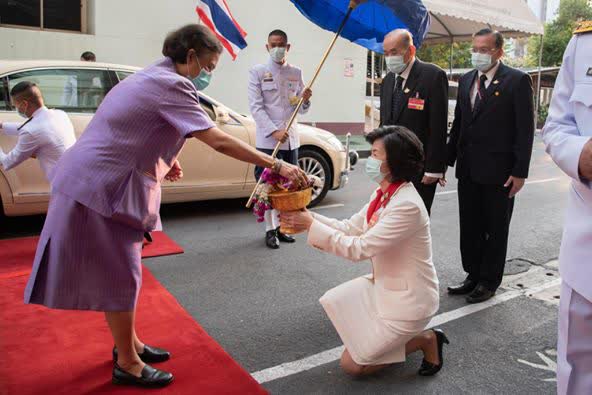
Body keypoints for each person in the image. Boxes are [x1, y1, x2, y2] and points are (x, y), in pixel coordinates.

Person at [23, 24, 308, 388]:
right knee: (122, 273)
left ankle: (131, 344)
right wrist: (276, 163)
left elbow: (133, 125)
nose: (207, 75)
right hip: (101, 186)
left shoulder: (149, 76)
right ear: (191, 57)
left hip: (93, 179)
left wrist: (165, 158)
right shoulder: (173, 84)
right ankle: (126, 362)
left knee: (121, 271)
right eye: (208, 66)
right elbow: (217, 139)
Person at [280, 125, 447, 378]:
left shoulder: (407, 206)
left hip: (410, 301)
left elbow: (360, 248)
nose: (370, 159)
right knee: (336, 302)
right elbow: (350, 227)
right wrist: (307, 216)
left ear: (394, 163)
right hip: (386, 287)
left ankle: (426, 339)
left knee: (353, 365)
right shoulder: (384, 193)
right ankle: (386, 339)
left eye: (376, 154)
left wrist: (310, 226)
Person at [446, 29, 534, 304]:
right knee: (470, 226)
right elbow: (459, 123)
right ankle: (473, 274)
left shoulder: (517, 81)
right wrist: (443, 163)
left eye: (484, 49)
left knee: (495, 228)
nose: (478, 54)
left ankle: (488, 281)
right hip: (469, 169)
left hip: (500, 172)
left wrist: (520, 171)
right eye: (475, 48)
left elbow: (525, 129)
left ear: (498, 51)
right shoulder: (467, 80)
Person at [542, 20, 592, 395]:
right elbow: (557, 126)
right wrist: (580, 155)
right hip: (586, 250)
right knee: (576, 370)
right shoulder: (584, 43)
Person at [248, 29, 312, 249]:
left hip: (291, 139)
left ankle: (282, 227)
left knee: (286, 187)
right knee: (268, 187)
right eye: (273, 44)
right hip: (268, 141)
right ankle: (269, 230)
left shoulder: (296, 72)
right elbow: (256, 107)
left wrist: (305, 100)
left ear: (288, 47)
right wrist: (273, 130)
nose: (277, 48)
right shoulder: (257, 72)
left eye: (281, 44)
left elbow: (300, 109)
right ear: (267, 47)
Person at [379, 29, 448, 215]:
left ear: (410, 51)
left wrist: (434, 169)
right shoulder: (387, 82)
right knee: (391, 221)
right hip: (392, 169)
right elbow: (384, 125)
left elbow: (438, 127)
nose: (389, 58)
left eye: (394, 52)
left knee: (415, 222)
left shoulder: (432, 76)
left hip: (420, 171)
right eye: (385, 53)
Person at [0, 81, 75, 181]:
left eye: (16, 106)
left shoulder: (32, 131)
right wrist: (2, 126)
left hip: (65, 185)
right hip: (79, 176)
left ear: (24, 104)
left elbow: (7, 162)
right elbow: (30, 129)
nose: (16, 109)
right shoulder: (60, 115)